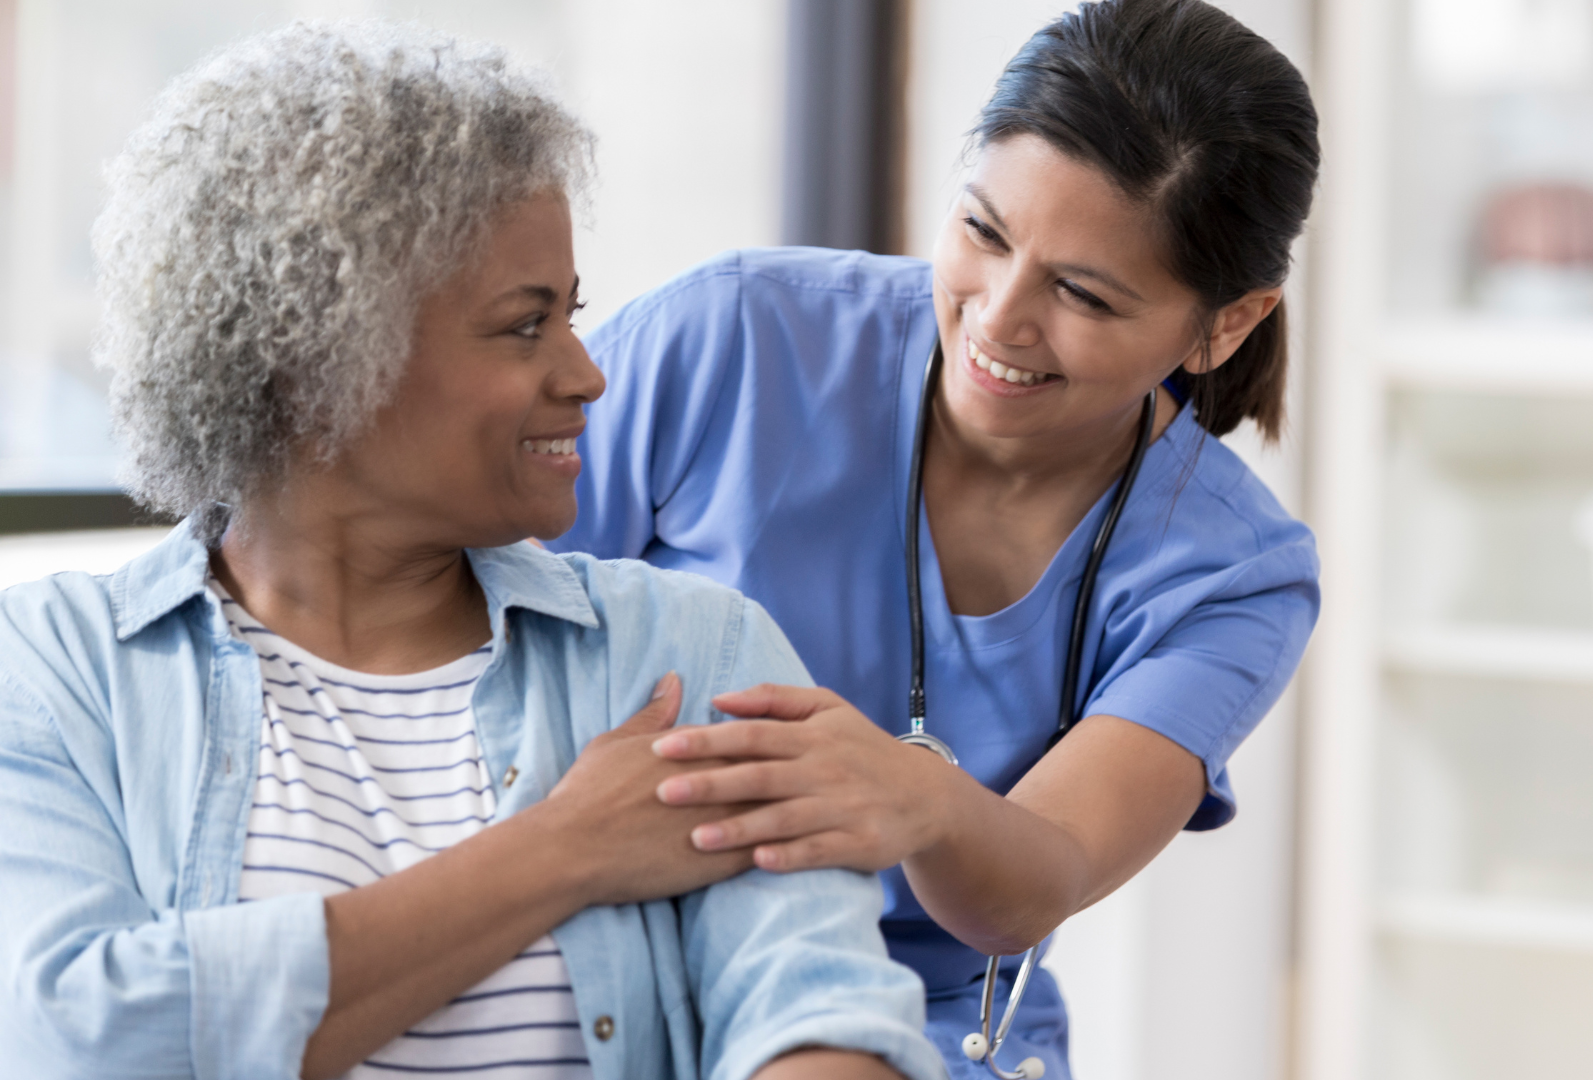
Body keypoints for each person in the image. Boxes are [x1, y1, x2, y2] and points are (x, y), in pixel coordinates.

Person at [0, 22, 945, 1080]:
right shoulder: (55, 671)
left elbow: (822, 1018)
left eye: (572, 315)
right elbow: (77, 1037)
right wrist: (566, 848)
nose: (587, 374)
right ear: (318, 365)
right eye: (524, 325)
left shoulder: (689, 652)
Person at [551, 0, 1323, 1074]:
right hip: (600, 943)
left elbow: (1032, 887)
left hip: (921, 1020)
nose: (998, 317)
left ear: (1227, 323)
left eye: (1082, 294)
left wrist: (919, 801)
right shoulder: (737, 337)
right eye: (983, 233)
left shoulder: (1235, 575)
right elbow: (467, 614)